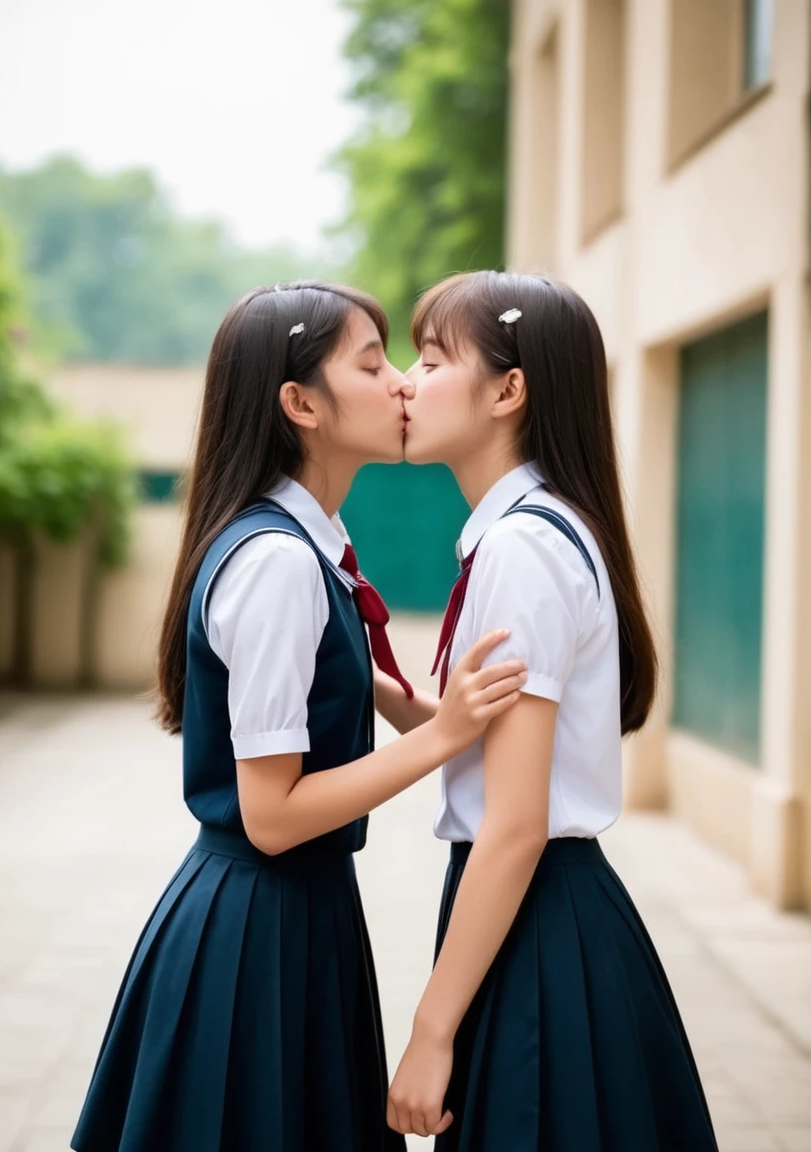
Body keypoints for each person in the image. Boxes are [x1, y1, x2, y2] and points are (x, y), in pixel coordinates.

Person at [70, 280, 528, 1152]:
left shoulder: (305, 547)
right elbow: (272, 816)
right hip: (259, 927)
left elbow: (366, 695)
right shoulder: (278, 563)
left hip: (293, 916)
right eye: (372, 363)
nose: (402, 382)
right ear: (299, 404)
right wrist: (445, 734)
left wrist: (459, 719)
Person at [386, 270, 718, 1151]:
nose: (405, 382)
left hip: (531, 919)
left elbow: (516, 821)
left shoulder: (522, 548)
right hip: (546, 913)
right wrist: (382, 690)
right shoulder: (538, 529)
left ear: (508, 389)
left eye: (428, 358)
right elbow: (485, 746)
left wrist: (430, 1029)